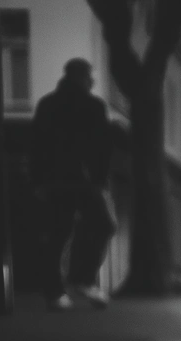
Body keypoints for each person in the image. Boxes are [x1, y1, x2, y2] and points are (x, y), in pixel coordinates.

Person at [30, 58, 116, 311]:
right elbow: (102, 146)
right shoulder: (93, 106)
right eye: (89, 77)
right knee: (101, 225)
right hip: (83, 180)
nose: (92, 81)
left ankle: (55, 291)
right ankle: (82, 278)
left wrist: (38, 180)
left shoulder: (48, 104)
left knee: (57, 234)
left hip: (55, 179)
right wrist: (100, 179)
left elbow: (37, 145)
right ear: (82, 77)